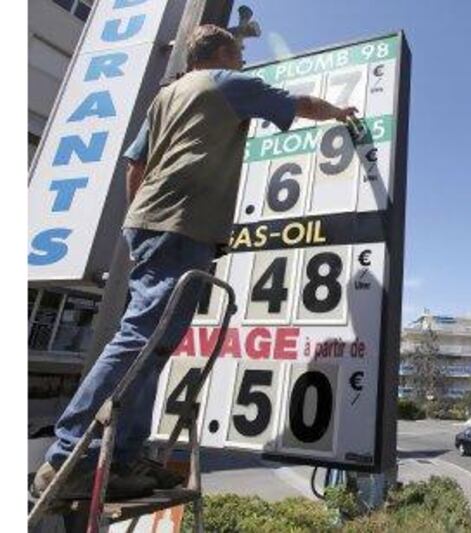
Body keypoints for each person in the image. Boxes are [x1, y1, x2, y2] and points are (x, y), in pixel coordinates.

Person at [31, 24, 358, 500]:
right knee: (142, 337)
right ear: (223, 53)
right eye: (240, 51)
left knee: (154, 342)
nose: (244, 60)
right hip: (181, 224)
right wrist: (337, 113)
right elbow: (299, 104)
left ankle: (121, 456)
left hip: (150, 222)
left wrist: (136, 220)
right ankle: (69, 457)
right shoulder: (227, 83)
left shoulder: (166, 97)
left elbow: (134, 165)